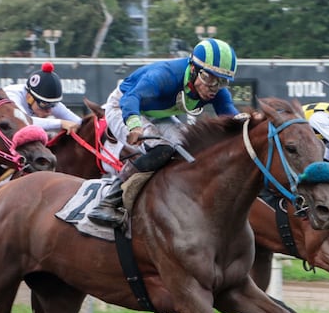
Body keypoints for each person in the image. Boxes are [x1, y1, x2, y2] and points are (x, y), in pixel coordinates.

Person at [87, 37, 242, 227]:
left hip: (157, 113)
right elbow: (131, 98)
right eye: (209, 78)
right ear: (193, 69)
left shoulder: (217, 91)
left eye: (222, 82)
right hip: (123, 107)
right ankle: (109, 202)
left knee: (187, 149)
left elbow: (231, 118)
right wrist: (135, 125)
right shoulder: (165, 75)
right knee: (161, 149)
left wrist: (251, 123)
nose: (213, 88)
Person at [3, 62, 81, 135]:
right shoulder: (11, 95)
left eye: (53, 105)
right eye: (45, 105)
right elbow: (25, 122)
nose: (49, 111)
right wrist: (61, 123)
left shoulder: (46, 102)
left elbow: (79, 122)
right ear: (29, 97)